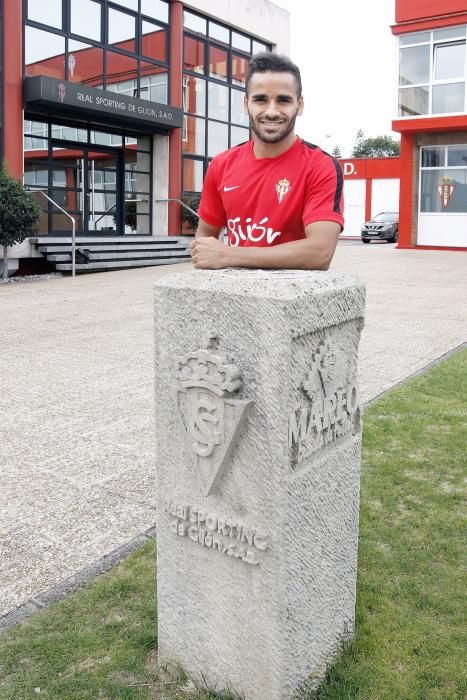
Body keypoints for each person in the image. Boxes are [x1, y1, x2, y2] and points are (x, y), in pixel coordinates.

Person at [190, 52, 344, 271]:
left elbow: (320, 253)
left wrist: (229, 254)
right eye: (260, 99)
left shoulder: (321, 166)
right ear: (246, 104)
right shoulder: (221, 165)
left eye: (283, 100)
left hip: (293, 300)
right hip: (233, 298)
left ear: (299, 105)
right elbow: (205, 237)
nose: (271, 111)